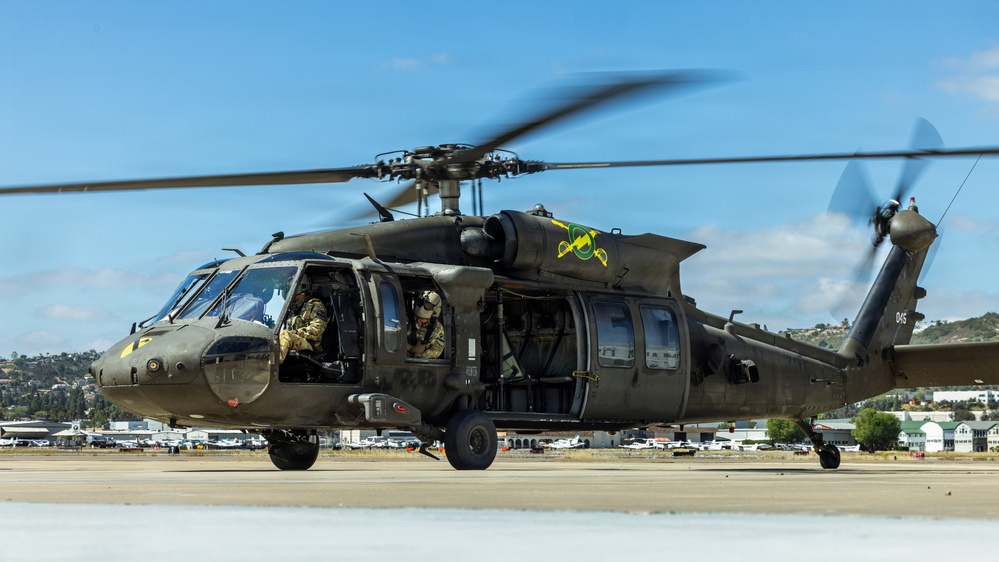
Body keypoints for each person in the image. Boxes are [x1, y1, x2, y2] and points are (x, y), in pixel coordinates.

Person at [278, 276, 329, 363]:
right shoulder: (292, 308)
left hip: (310, 344)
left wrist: (296, 333)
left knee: (285, 335)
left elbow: (317, 330)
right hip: (296, 341)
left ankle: (275, 364)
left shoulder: (314, 305)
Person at [407, 290, 445, 359]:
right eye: (420, 303)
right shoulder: (407, 320)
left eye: (428, 305)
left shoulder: (437, 328)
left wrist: (420, 355)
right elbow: (394, 341)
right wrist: (411, 349)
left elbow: (437, 350)